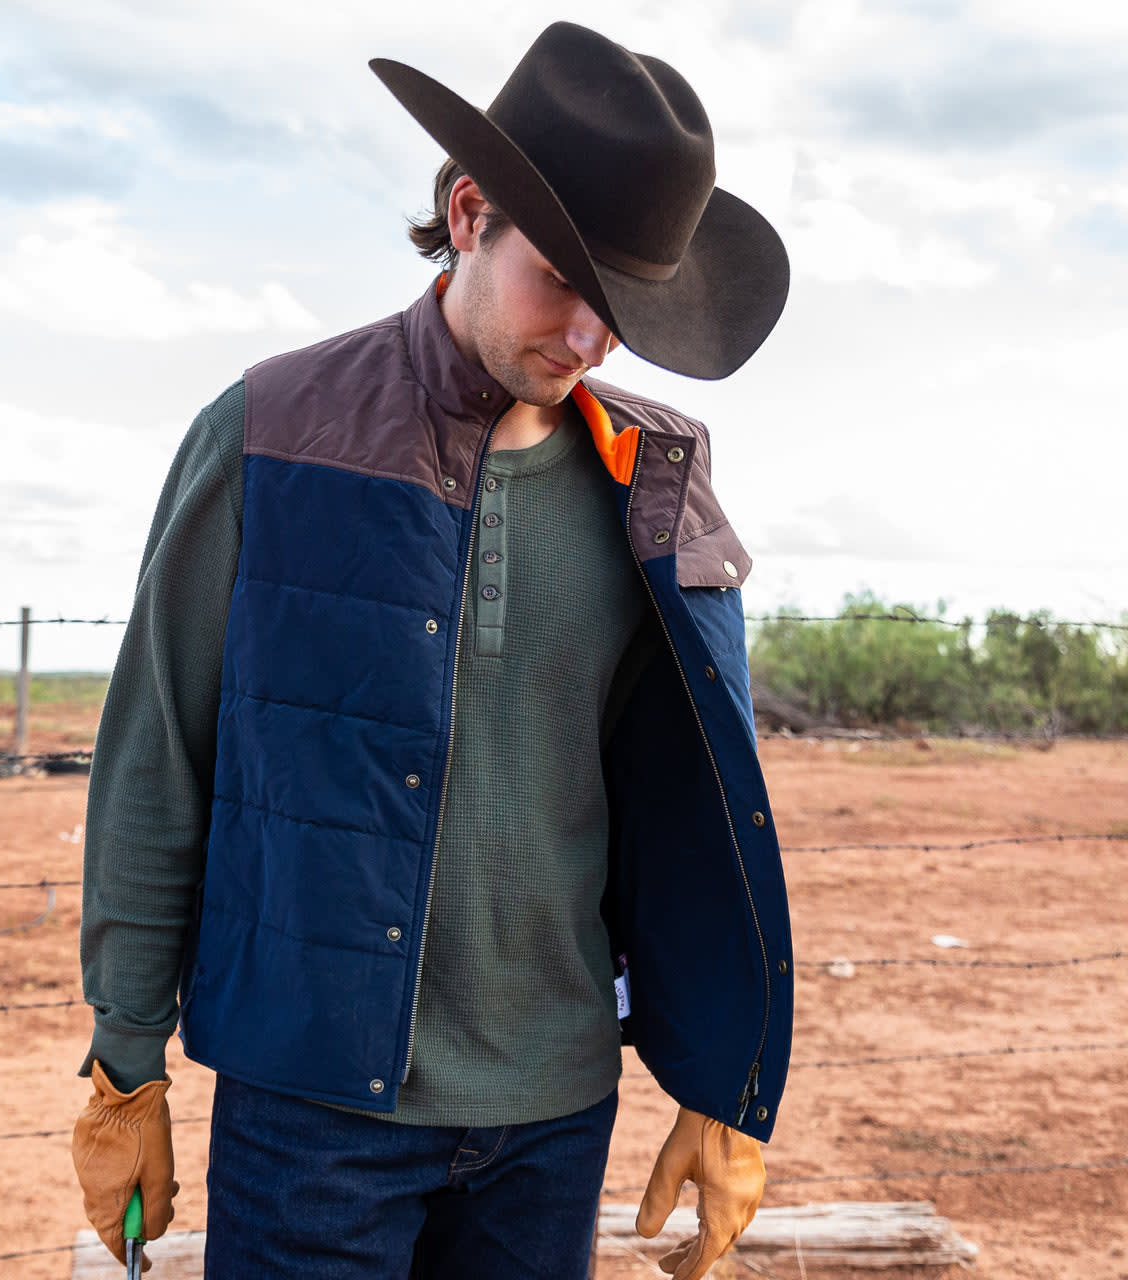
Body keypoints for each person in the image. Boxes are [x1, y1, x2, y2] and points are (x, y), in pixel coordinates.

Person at [72, 21, 794, 1280]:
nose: (587, 340)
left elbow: (690, 803)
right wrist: (124, 1064)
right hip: (312, 1116)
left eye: (622, 309)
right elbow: (158, 757)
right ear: (468, 212)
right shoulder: (267, 433)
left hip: (551, 1115)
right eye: (564, 283)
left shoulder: (656, 478)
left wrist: (721, 1076)